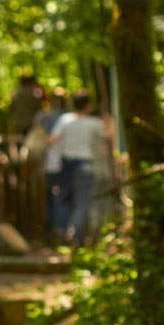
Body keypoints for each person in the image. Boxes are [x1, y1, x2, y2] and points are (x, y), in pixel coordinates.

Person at [49, 91, 107, 246]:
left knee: (64, 198)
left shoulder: (65, 120)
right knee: (82, 201)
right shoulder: (94, 123)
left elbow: (52, 139)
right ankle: (74, 235)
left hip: (67, 164)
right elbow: (106, 139)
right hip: (85, 164)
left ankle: (61, 231)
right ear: (88, 106)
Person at [36, 89, 68, 241]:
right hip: (63, 164)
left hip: (48, 164)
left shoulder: (43, 116)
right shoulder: (67, 118)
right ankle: (60, 230)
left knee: (50, 198)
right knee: (61, 197)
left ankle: (49, 231)